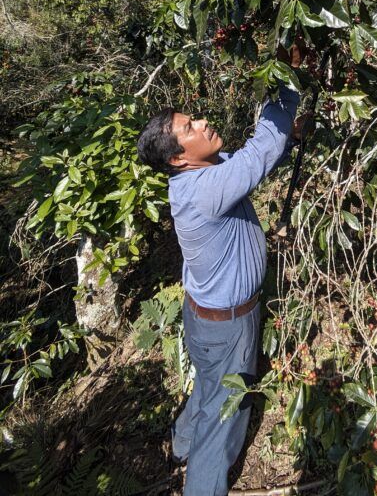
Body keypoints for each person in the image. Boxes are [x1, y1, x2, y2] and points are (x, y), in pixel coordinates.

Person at [136, 53, 306, 496]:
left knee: (209, 389)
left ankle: (179, 444)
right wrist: (286, 78)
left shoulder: (203, 175)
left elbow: (255, 160)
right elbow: (261, 149)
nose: (202, 123)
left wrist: (286, 140)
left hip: (205, 318)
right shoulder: (206, 190)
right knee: (225, 415)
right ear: (177, 158)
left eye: (193, 118)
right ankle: (203, 482)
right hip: (229, 325)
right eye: (189, 128)